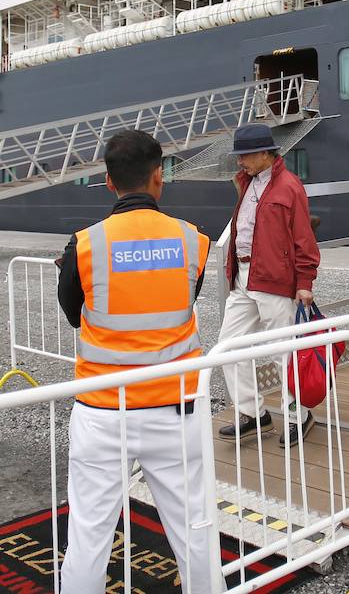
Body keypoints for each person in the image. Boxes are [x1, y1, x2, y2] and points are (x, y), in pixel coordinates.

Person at [55, 130, 213, 592]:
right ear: (159, 177)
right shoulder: (192, 241)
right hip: (176, 410)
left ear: (109, 182)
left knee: (87, 535)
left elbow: (73, 314)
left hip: (103, 410)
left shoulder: (83, 246)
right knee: (195, 531)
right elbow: (188, 298)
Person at [217, 123, 320, 448]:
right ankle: (252, 413)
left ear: (265, 153)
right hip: (243, 276)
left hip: (275, 279)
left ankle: (298, 416)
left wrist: (305, 281)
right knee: (228, 347)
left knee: (283, 352)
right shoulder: (246, 183)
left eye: (245, 155)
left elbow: (303, 236)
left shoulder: (289, 186)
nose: (239, 162)